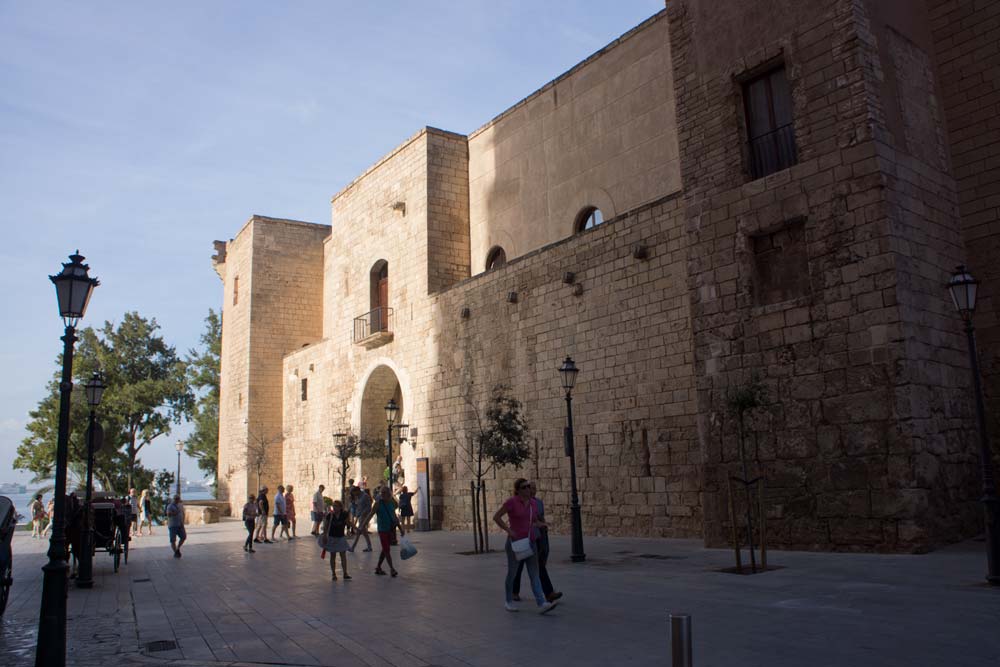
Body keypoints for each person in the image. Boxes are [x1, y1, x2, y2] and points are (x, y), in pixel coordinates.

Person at [493, 478, 558, 614]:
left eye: (529, 486)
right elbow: (497, 517)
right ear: (518, 490)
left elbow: (533, 522)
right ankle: (508, 601)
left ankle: (542, 603)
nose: (528, 489)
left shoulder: (533, 504)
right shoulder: (512, 502)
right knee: (512, 573)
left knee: (534, 573)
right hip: (515, 544)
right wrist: (508, 530)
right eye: (524, 487)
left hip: (530, 542)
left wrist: (542, 524)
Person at [511, 482, 561, 602]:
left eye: (533, 488)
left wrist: (543, 527)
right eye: (529, 488)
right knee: (518, 567)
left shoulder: (537, 503)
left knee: (539, 566)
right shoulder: (516, 503)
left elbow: (539, 518)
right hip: (522, 539)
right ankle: (514, 591)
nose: (532, 490)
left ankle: (549, 593)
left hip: (535, 538)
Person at [360, 486, 402, 577]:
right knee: (387, 549)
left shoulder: (391, 503)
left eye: (384, 493)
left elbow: (394, 516)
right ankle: (392, 569)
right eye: (381, 493)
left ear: (389, 494)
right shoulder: (378, 504)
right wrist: (363, 525)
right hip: (382, 530)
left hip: (390, 529)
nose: (382, 495)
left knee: (385, 549)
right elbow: (370, 515)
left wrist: (401, 528)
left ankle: (378, 567)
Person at [322, 499, 352, 580]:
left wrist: (351, 529)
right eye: (333, 506)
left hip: (341, 537)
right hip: (332, 537)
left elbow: (348, 523)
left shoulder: (344, 515)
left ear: (340, 507)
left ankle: (345, 573)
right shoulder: (330, 515)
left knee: (343, 555)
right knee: (333, 556)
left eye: (336, 506)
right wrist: (325, 535)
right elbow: (326, 526)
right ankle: (333, 574)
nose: (334, 508)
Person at [350, 487, 373, 552]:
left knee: (358, 531)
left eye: (354, 493)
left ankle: (353, 547)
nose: (354, 494)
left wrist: (363, 514)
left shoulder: (365, 496)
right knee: (364, 532)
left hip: (364, 516)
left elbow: (369, 507)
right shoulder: (358, 497)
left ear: (357, 490)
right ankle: (369, 546)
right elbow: (358, 506)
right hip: (360, 516)